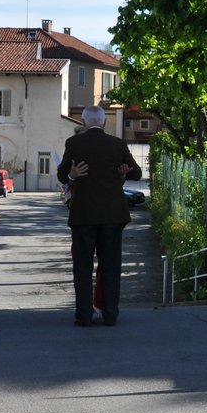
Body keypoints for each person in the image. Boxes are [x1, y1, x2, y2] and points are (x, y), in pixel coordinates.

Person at [58, 105, 141, 327]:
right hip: (113, 215)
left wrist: (72, 175)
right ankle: (110, 314)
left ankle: (84, 316)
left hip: (84, 215)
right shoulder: (118, 144)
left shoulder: (74, 143)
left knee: (83, 267)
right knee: (111, 266)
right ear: (104, 123)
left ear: (83, 123)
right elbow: (137, 173)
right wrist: (124, 171)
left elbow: (61, 175)